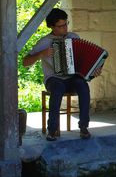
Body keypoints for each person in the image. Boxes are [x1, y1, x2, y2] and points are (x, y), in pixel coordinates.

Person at [23, 8, 99, 141]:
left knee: (83, 85)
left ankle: (83, 127)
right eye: (61, 26)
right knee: (57, 88)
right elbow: (25, 62)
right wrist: (41, 54)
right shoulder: (44, 42)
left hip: (72, 78)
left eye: (66, 24)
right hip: (53, 79)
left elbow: (83, 60)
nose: (65, 28)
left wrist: (93, 70)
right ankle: (52, 130)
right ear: (52, 26)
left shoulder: (74, 37)